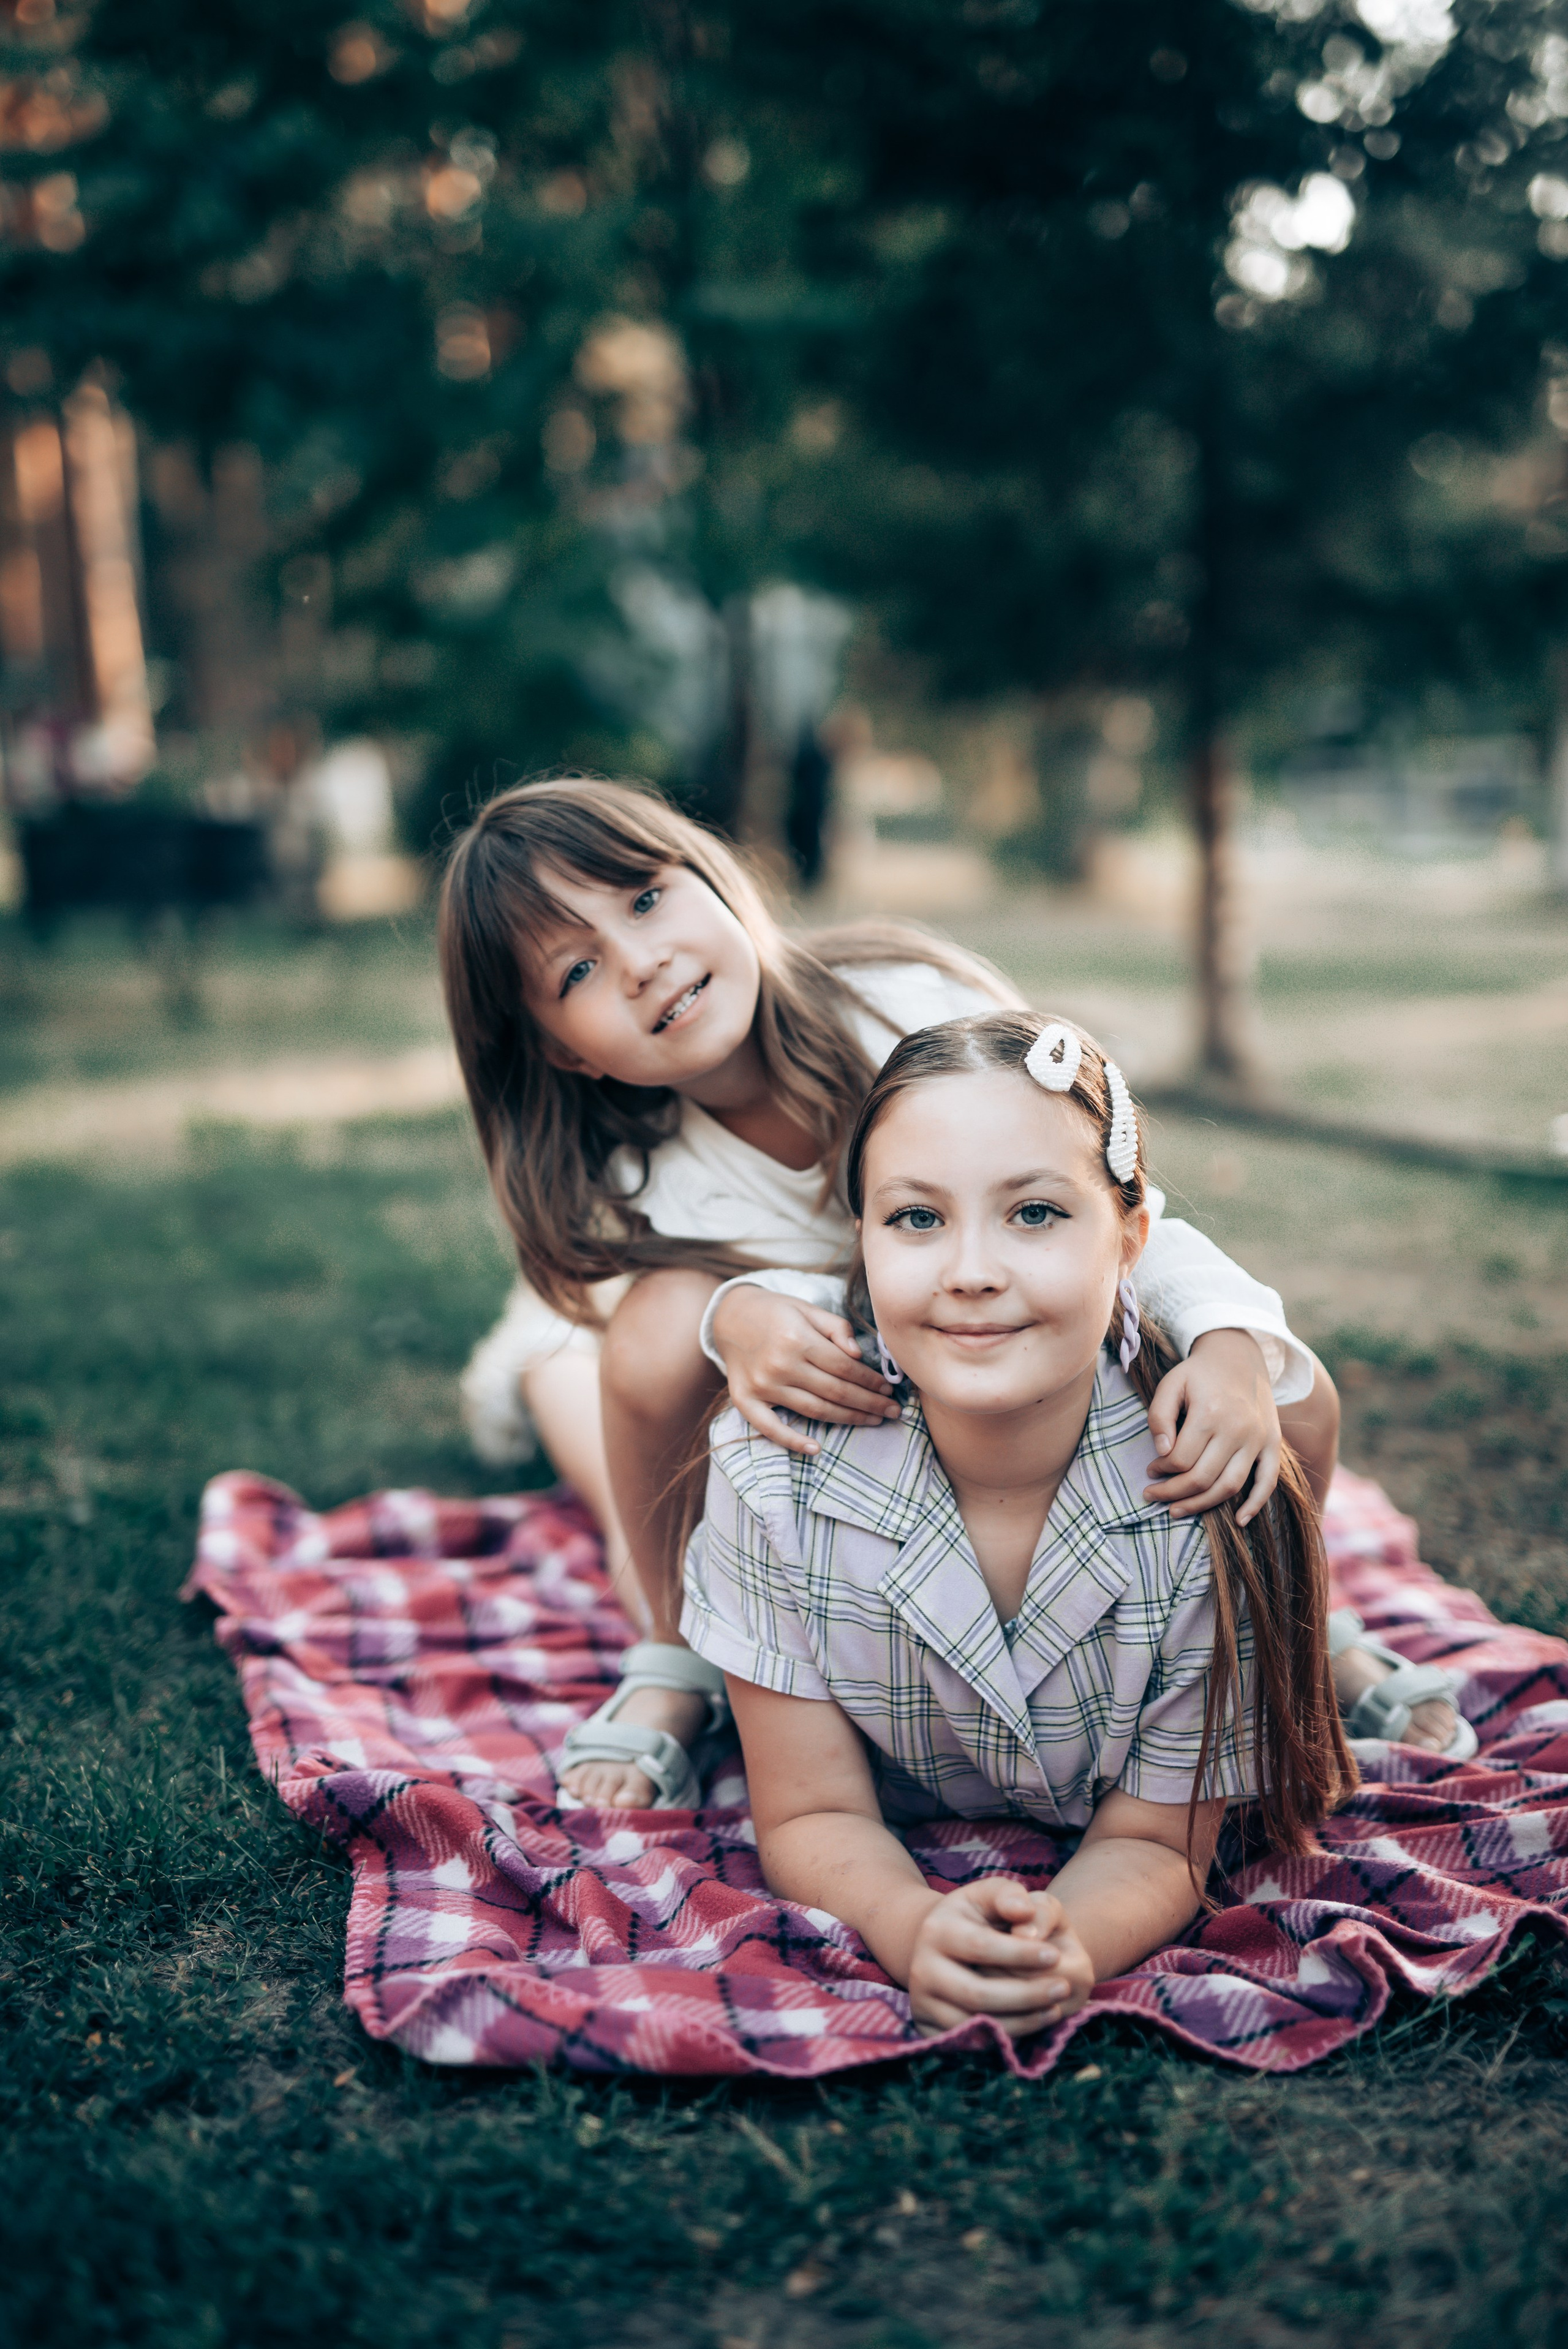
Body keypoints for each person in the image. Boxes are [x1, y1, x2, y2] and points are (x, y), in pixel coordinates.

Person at [439, 776, 1365, 1810]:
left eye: (646, 899)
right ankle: (677, 1651)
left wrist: (1231, 1343)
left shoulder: (904, 1005)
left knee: (1291, 1399)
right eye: (578, 969)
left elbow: (1103, 1213)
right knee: (630, 1348)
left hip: (994, 1341)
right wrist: (730, 1313)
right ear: (564, 1049)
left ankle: (1276, 1618)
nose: (642, 961)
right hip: (836, 1381)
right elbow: (673, 1321)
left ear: (714, 875)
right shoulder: (635, 1173)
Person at [682, 1012, 1358, 2034]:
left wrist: (1060, 1948)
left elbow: (1155, 1838)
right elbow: (812, 1810)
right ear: (859, 1240)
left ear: (1130, 1242)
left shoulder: (1209, 1492)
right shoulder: (773, 1473)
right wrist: (908, 1926)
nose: (971, 1270)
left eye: (1035, 1214)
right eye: (915, 1219)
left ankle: (1344, 1646)